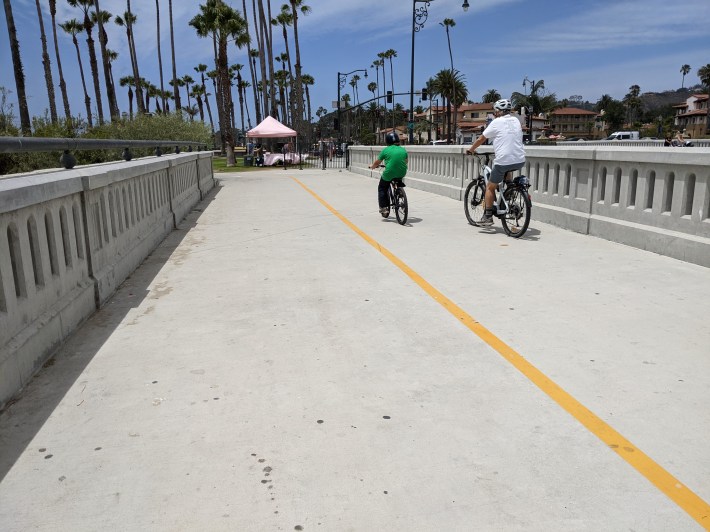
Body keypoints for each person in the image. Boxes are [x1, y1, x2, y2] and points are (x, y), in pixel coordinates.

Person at [466, 98, 526, 227]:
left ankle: (487, 216)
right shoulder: (516, 120)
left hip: (504, 160)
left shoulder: (496, 122)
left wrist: (471, 149)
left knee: (490, 187)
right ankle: (509, 190)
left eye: (495, 111)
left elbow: (482, 138)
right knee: (507, 170)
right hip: (520, 159)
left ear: (498, 111)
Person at [369, 132, 408, 217]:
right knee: (398, 180)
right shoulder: (403, 149)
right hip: (402, 172)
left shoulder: (386, 150)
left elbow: (377, 162)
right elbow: (406, 161)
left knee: (382, 187)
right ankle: (400, 194)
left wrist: (372, 166)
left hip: (389, 172)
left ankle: (384, 208)